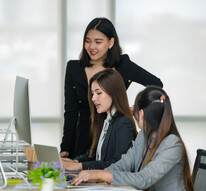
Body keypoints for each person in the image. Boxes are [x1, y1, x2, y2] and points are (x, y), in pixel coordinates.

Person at [70, 86, 206, 191]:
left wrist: (102, 174)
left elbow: (143, 179)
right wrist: (98, 177)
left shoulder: (172, 143)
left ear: (141, 114)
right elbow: (123, 164)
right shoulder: (143, 136)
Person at [60, 17, 163, 159]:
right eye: (87, 41)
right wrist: (65, 148)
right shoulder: (74, 68)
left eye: (98, 42)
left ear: (111, 42)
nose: (91, 47)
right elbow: (70, 112)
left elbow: (156, 85)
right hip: (83, 138)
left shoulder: (123, 66)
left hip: (113, 136)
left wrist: (136, 108)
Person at [61, 69, 137, 171]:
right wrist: (75, 161)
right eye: (92, 93)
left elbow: (118, 163)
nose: (93, 98)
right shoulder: (105, 120)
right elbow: (96, 154)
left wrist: (79, 166)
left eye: (98, 93)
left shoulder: (123, 122)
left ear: (114, 93)